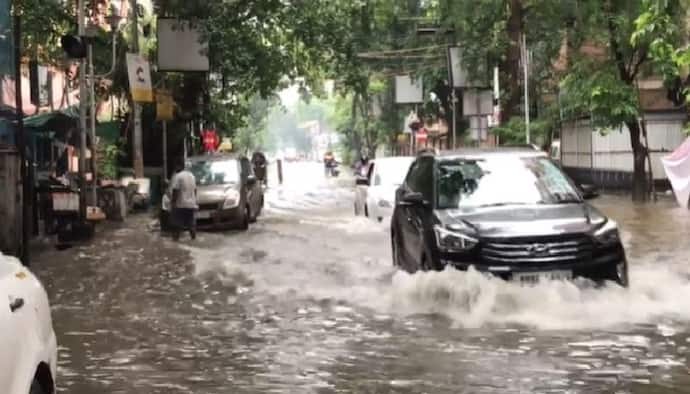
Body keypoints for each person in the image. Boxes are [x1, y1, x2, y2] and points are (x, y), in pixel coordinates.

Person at [170, 159, 198, 241]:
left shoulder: (178, 176)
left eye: (176, 166)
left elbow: (175, 190)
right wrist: (194, 201)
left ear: (180, 166)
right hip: (191, 204)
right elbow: (195, 190)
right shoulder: (192, 176)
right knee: (191, 222)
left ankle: (175, 240)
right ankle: (193, 238)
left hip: (181, 204)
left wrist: (173, 202)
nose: (175, 168)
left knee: (177, 222)